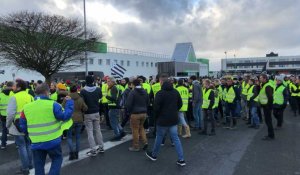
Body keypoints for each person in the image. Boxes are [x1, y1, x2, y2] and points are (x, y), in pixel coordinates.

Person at [20, 83, 74, 175]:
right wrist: (69, 103)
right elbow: (65, 116)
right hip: (52, 141)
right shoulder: (53, 105)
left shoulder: (26, 108)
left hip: (36, 142)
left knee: (39, 165)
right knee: (57, 159)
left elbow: (23, 126)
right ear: (47, 92)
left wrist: (30, 135)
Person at [146, 74, 186, 167]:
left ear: (161, 82)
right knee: (176, 139)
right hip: (173, 119)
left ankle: (154, 155)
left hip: (162, 120)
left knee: (159, 137)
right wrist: (174, 111)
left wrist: (158, 116)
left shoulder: (160, 93)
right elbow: (180, 104)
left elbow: (156, 108)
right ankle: (181, 159)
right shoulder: (175, 91)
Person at [6, 79, 34, 175]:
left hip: (17, 125)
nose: (12, 87)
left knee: (21, 146)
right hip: (28, 124)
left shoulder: (14, 97)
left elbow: (10, 114)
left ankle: (25, 168)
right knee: (28, 145)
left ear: (19, 87)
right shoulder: (30, 96)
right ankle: (30, 165)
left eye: (14, 86)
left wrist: (7, 125)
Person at [80, 75, 105, 156]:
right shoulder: (98, 89)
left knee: (90, 132)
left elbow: (82, 103)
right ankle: (101, 147)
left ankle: (93, 150)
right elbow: (100, 96)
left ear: (86, 81)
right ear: (93, 81)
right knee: (98, 130)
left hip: (88, 113)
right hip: (96, 111)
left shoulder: (83, 91)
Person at [63, 84, 88, 160]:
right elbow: (85, 108)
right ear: (77, 90)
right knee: (77, 137)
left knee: (69, 137)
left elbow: (62, 106)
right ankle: (76, 153)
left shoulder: (67, 98)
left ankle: (71, 153)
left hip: (70, 119)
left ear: (70, 91)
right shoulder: (80, 98)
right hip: (79, 119)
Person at [126, 79, 149, 152]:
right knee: (141, 128)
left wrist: (129, 112)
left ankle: (136, 146)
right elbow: (148, 102)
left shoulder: (132, 92)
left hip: (135, 113)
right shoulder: (145, 91)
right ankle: (145, 142)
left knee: (135, 130)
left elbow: (128, 104)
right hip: (144, 113)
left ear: (133, 84)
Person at [106, 76, 126, 141]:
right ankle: (122, 132)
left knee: (113, 122)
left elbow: (114, 98)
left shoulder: (113, 88)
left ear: (112, 82)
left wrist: (106, 96)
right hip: (116, 107)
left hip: (113, 107)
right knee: (116, 121)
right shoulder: (116, 87)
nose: (107, 83)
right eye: (107, 81)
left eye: (109, 81)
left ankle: (117, 135)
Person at [259, 74, 275, 140]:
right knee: (268, 121)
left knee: (268, 121)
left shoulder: (267, 86)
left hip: (267, 107)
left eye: (261, 78)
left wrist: (268, 106)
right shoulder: (264, 85)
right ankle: (270, 134)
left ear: (265, 78)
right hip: (265, 106)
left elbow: (270, 97)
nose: (260, 79)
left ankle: (271, 135)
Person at [0, 81, 14, 149]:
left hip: (3, 116)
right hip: (12, 115)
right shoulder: (14, 94)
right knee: (15, 130)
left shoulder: (1, 95)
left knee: (4, 131)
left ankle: (3, 144)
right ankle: (17, 144)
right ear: (12, 86)